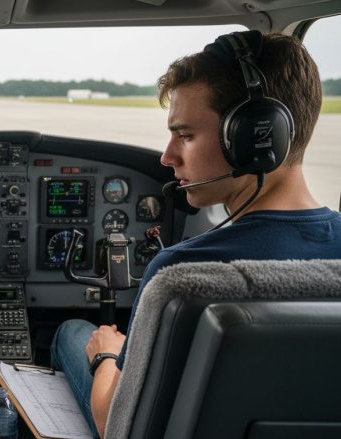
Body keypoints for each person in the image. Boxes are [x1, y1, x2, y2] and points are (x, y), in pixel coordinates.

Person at [51, 31, 341, 438]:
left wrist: (107, 357)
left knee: (75, 333)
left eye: (185, 135)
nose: (167, 157)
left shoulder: (182, 271)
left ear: (255, 137)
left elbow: (113, 421)